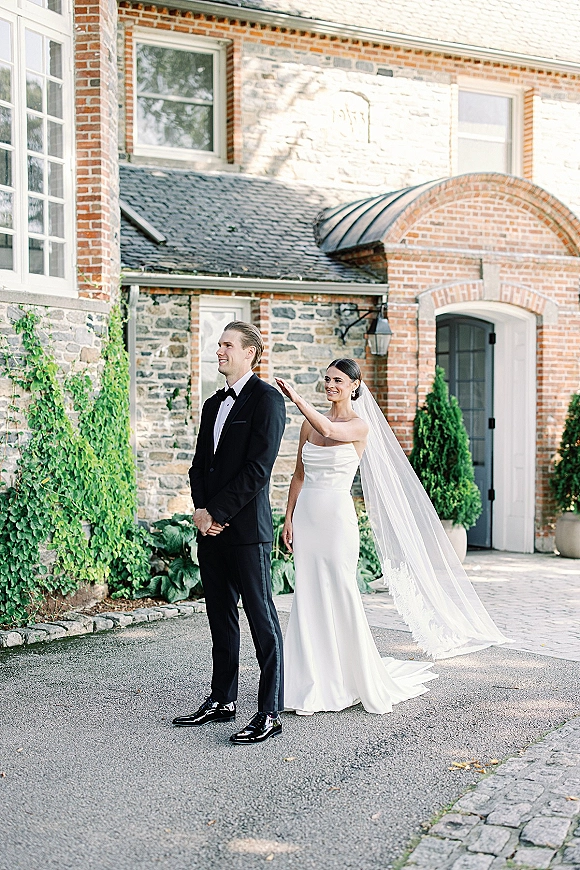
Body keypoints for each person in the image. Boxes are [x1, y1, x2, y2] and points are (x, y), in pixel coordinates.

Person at [276, 359, 508, 716]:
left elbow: (331, 429)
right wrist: (288, 518)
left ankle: (349, 677)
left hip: (336, 522)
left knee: (340, 590)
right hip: (306, 517)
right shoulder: (308, 427)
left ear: (355, 385)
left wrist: (295, 398)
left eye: (337, 380)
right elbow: (298, 475)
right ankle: (307, 677)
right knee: (307, 592)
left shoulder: (358, 425)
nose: (330, 385)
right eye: (326, 380)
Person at [173, 322, 286, 744]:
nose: (219, 350)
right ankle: (223, 699)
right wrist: (202, 512)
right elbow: (198, 465)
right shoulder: (211, 404)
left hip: (246, 531)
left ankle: (270, 712)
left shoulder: (268, 401)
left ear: (250, 353)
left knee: (261, 617)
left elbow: (258, 469)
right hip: (211, 530)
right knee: (220, 616)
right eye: (218, 344)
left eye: (226, 345)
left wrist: (219, 511)